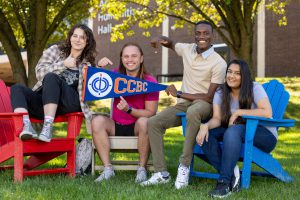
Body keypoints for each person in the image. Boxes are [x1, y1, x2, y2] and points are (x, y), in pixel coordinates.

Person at [141, 20, 227, 189]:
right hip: (184, 103)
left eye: (206, 33)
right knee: (153, 122)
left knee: (194, 111)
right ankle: (161, 173)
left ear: (213, 36)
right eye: (198, 33)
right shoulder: (187, 49)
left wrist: (179, 93)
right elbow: (171, 43)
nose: (201, 36)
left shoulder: (219, 63)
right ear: (194, 35)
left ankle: (184, 167)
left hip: (205, 105)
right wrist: (159, 37)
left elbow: (209, 97)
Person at [196, 59, 277, 198]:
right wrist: (205, 126)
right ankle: (232, 173)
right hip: (235, 131)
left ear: (244, 76)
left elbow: (267, 112)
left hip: (263, 134)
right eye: (229, 72)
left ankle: (224, 183)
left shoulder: (254, 88)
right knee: (205, 135)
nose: (231, 76)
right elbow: (217, 118)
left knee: (233, 130)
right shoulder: (221, 92)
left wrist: (238, 112)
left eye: (237, 73)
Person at [10, 24, 96, 142]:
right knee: (17, 88)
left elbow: (92, 91)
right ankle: (26, 126)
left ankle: (47, 127)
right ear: (70, 37)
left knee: (52, 77)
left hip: (69, 103)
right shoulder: (55, 50)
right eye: (75, 35)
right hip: (47, 102)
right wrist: (63, 64)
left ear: (87, 42)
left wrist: (99, 70)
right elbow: (39, 74)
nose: (77, 39)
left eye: (82, 37)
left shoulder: (87, 64)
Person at [92, 42, 159, 183]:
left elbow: (151, 112)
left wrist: (129, 110)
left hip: (138, 127)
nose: (130, 59)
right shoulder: (115, 75)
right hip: (115, 125)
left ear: (141, 58)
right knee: (97, 120)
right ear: (122, 59)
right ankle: (108, 169)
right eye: (126, 56)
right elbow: (92, 85)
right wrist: (99, 68)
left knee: (145, 121)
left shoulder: (149, 81)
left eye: (134, 56)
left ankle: (141, 169)